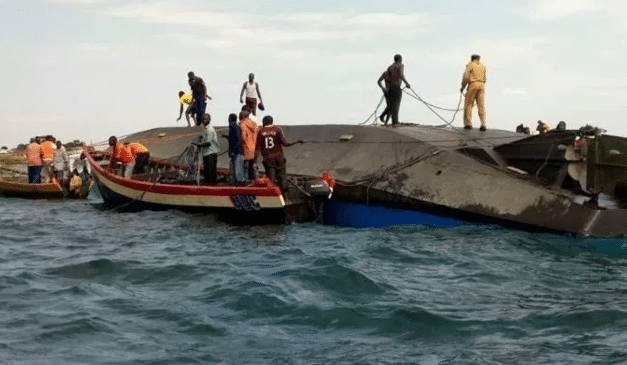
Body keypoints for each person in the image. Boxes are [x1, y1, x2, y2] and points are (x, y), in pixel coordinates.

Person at [255, 115, 304, 193]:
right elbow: (285, 143)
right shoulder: (277, 130)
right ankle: (286, 196)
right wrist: (297, 142)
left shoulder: (260, 131)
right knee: (283, 178)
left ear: (264, 122)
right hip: (279, 158)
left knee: (271, 180)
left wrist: (254, 160)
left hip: (268, 159)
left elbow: (257, 147)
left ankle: (274, 197)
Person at [378, 54, 411, 127]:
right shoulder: (400, 65)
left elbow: (388, 79)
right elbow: (401, 75)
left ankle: (393, 121)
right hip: (396, 87)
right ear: (400, 59)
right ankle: (395, 122)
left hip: (390, 88)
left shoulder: (389, 67)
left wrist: (386, 88)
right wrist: (407, 83)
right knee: (396, 105)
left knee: (392, 105)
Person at [461, 54, 487, 131]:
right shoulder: (483, 66)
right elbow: (485, 79)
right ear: (479, 59)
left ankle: (468, 124)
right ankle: (483, 123)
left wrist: (463, 87)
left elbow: (466, 76)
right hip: (482, 85)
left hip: (473, 84)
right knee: (481, 105)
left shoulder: (470, 65)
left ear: (472, 59)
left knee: (468, 104)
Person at [193, 113, 219, 185]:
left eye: (206, 119)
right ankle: (207, 184)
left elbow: (208, 143)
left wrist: (198, 144)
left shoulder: (210, 130)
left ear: (209, 120)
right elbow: (203, 136)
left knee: (211, 171)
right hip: (206, 152)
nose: (204, 120)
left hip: (211, 152)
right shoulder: (204, 128)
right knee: (206, 171)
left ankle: (212, 186)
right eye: (203, 119)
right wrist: (199, 138)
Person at [222, 113, 246, 185]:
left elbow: (236, 140)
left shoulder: (233, 126)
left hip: (236, 151)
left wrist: (233, 151)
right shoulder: (236, 127)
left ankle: (240, 181)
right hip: (237, 151)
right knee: (235, 168)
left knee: (237, 168)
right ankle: (236, 181)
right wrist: (227, 137)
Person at [239, 109, 258, 181]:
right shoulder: (253, 124)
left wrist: (239, 142)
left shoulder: (243, 124)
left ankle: (247, 181)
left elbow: (243, 137)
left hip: (246, 148)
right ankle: (255, 181)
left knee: (245, 168)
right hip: (253, 148)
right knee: (253, 166)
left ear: (242, 116)